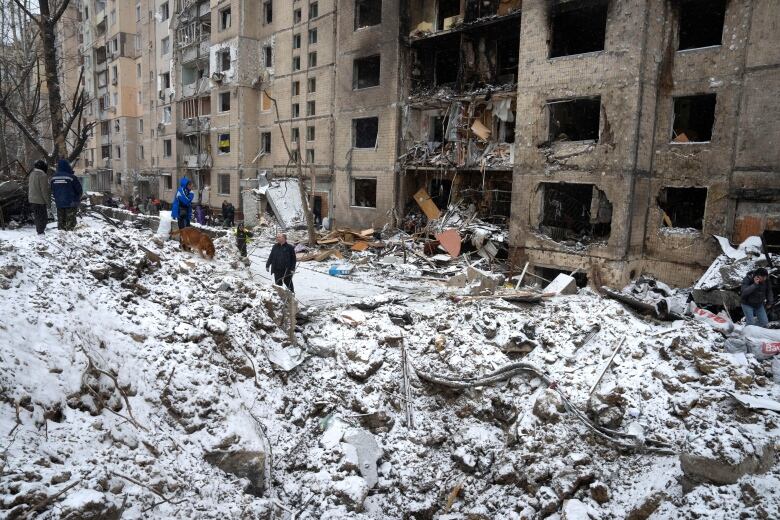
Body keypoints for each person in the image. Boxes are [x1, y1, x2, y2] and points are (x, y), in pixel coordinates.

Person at [50, 159, 83, 231]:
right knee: (70, 223)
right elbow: (79, 190)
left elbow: (52, 190)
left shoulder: (53, 178)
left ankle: (62, 237)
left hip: (59, 203)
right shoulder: (71, 177)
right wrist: (77, 199)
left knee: (61, 222)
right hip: (71, 203)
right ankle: (70, 237)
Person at [28, 159, 50, 235]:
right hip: (40, 201)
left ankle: (39, 232)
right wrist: (48, 203)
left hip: (32, 199)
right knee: (43, 218)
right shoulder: (43, 176)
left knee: (37, 217)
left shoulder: (31, 174)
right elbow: (44, 191)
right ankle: (40, 233)